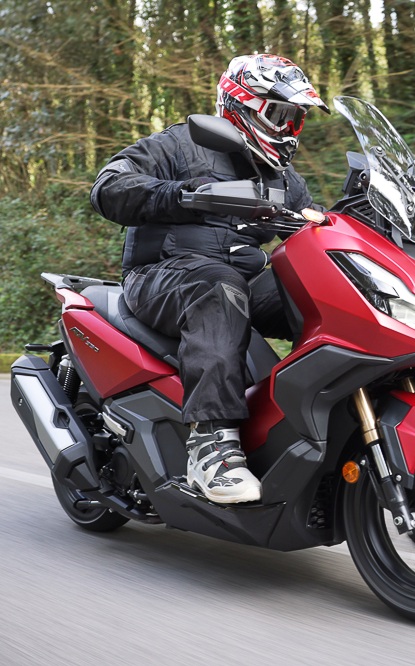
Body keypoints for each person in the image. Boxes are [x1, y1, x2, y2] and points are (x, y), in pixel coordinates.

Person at [90, 54, 327, 504]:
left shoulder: (284, 179)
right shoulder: (180, 144)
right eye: (279, 114)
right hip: (163, 275)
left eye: (295, 119)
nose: (288, 128)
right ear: (241, 105)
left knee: (321, 289)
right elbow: (108, 187)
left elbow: (316, 230)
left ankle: (319, 419)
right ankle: (210, 447)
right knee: (219, 287)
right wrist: (182, 195)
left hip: (239, 281)